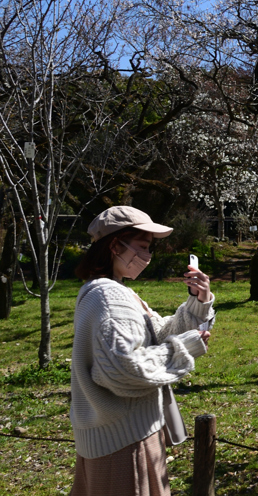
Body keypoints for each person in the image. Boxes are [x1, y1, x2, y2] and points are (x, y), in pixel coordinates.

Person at [70, 206, 215, 496]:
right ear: (115, 245)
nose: (148, 257)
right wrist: (184, 347)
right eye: (143, 247)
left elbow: (157, 332)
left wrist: (199, 301)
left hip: (121, 436)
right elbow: (125, 367)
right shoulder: (108, 297)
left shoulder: (114, 290)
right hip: (123, 444)